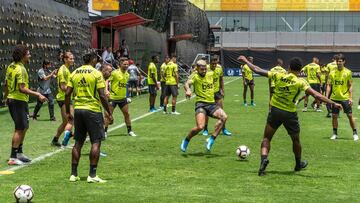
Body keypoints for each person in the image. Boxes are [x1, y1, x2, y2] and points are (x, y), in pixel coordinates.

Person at [238, 55, 342, 176]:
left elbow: (257, 69)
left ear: (288, 67)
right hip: (289, 113)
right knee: (295, 140)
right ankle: (298, 164)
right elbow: (317, 96)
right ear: (300, 70)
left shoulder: (279, 75)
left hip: (275, 110)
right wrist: (333, 103)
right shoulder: (301, 82)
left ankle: (263, 162)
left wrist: (245, 61)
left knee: (267, 138)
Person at [65, 52, 113, 183]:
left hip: (78, 110)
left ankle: (73, 174)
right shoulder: (96, 74)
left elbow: (67, 93)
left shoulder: (74, 73)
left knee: (78, 142)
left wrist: (68, 111)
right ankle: (92, 175)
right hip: (92, 110)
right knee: (96, 142)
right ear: (92, 60)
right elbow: (102, 96)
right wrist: (109, 112)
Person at [4, 44, 47, 165]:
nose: (30, 56)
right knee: (19, 128)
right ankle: (13, 157)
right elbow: (22, 88)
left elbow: (6, 84)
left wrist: (6, 97)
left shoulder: (11, 66)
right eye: (28, 54)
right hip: (18, 100)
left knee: (25, 126)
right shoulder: (21, 69)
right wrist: (38, 94)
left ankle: (19, 153)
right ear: (23, 56)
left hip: (15, 100)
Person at [180, 60, 228, 152]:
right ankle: (186, 140)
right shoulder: (195, 76)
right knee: (200, 127)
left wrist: (220, 90)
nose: (204, 71)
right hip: (201, 104)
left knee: (224, 117)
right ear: (197, 68)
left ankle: (211, 139)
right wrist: (188, 90)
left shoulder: (210, 73)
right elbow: (187, 83)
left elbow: (217, 78)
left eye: (205, 68)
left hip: (211, 104)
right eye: (202, 69)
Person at [327, 54, 358, 141]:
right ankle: (334, 133)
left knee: (350, 115)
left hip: (345, 98)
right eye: (337, 61)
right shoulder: (332, 73)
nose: (338, 63)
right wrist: (326, 97)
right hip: (334, 98)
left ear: (344, 62)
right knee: (334, 116)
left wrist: (351, 97)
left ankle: (355, 133)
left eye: (340, 61)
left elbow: (350, 85)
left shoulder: (348, 72)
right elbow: (329, 85)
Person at [104, 59, 137, 137]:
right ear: (120, 64)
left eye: (127, 64)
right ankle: (104, 132)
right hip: (113, 98)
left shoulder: (127, 74)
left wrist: (128, 96)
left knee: (127, 114)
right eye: (124, 64)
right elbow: (107, 81)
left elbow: (124, 86)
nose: (126, 66)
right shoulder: (114, 73)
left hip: (122, 98)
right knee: (108, 115)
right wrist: (106, 90)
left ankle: (130, 131)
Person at [202, 56, 232, 136]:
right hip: (208, 93)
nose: (214, 65)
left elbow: (221, 79)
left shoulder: (219, 68)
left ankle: (223, 129)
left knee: (222, 111)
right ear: (210, 62)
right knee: (206, 112)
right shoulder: (206, 68)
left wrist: (223, 90)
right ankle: (205, 129)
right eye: (213, 64)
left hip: (217, 92)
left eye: (216, 63)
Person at [51, 52, 75, 147]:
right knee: (71, 120)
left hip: (64, 98)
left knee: (66, 121)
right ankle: (67, 136)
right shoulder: (63, 70)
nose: (72, 60)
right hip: (65, 98)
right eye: (70, 58)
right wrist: (74, 89)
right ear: (65, 59)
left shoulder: (66, 69)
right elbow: (63, 87)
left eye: (73, 58)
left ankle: (55, 139)